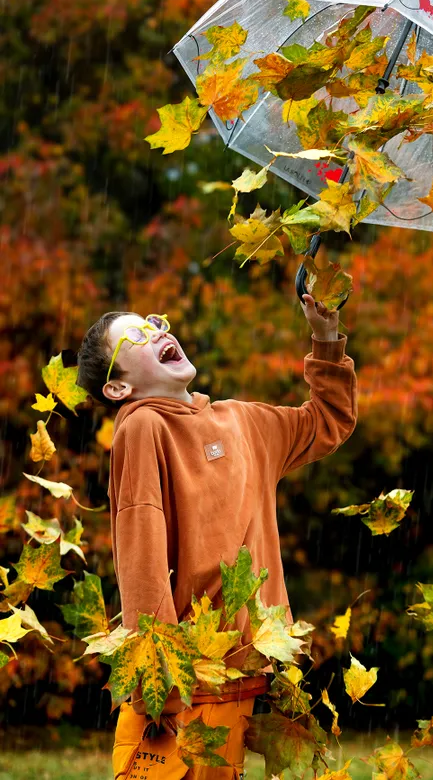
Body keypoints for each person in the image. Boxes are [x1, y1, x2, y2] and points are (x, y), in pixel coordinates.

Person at [75, 293, 358, 780]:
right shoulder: (142, 426)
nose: (158, 331)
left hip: (249, 669)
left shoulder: (242, 421)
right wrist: (158, 679)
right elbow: (140, 551)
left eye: (156, 322)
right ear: (118, 388)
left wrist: (326, 340)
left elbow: (327, 421)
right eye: (137, 336)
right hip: (187, 681)